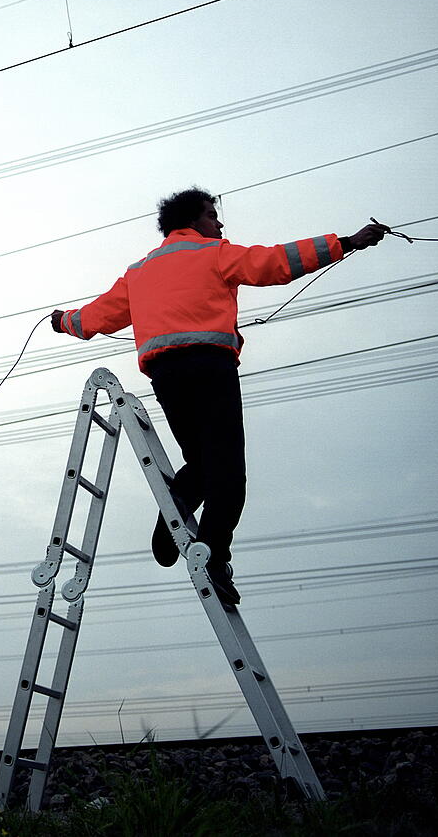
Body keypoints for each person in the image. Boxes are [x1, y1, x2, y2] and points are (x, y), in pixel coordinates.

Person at [50, 188, 385, 606]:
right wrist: (345, 243)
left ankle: (171, 520)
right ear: (193, 221)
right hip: (211, 368)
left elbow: (97, 316)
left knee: (205, 463)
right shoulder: (213, 253)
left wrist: (62, 322)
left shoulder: (138, 272)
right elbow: (275, 262)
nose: (220, 223)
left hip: (166, 376)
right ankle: (213, 557)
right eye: (213, 215)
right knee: (228, 473)